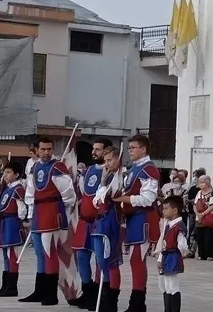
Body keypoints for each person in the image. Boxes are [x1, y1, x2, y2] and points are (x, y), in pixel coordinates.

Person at [20, 136, 77, 306]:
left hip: (52, 212)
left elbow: (68, 194)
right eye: (43, 149)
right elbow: (30, 192)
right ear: (36, 150)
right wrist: (30, 215)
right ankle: (40, 290)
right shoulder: (35, 166)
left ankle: (51, 294)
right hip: (38, 212)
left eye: (49, 149)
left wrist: (61, 211)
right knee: (39, 253)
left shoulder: (57, 167)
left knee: (49, 252)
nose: (46, 152)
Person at [112, 134, 160, 312]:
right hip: (133, 218)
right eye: (129, 147)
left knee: (137, 260)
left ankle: (138, 303)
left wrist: (124, 198)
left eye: (133, 147)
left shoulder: (149, 169)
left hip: (143, 218)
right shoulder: (134, 168)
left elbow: (148, 198)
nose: (130, 151)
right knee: (134, 260)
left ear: (143, 149)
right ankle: (137, 302)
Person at [69, 138, 111, 309]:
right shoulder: (90, 170)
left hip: (99, 222)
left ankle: (102, 295)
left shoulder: (111, 172)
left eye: (98, 149)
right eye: (93, 149)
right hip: (85, 221)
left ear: (107, 151)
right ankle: (88, 293)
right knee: (81, 256)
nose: (94, 152)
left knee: (101, 260)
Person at [90, 144, 126, 312]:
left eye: (110, 160)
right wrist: (103, 182)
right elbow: (96, 200)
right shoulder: (107, 176)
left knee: (111, 260)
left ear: (118, 159)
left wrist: (104, 186)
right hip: (100, 221)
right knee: (100, 260)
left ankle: (112, 301)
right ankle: (103, 297)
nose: (107, 164)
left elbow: (110, 195)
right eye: (105, 161)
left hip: (112, 220)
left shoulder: (122, 176)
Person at [0, 161, 27, 298]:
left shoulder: (18, 189)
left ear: (16, 174)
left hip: (12, 222)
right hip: (5, 222)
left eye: (8, 172)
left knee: (12, 256)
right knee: (6, 256)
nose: (5, 175)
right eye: (4, 172)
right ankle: (5, 285)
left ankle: (12, 287)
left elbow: (22, 209)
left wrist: (21, 220)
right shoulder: (6, 188)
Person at [156, 195, 187, 312]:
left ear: (175, 210)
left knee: (173, 285)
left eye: (166, 208)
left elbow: (182, 244)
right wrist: (160, 259)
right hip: (166, 256)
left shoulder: (179, 226)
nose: (163, 211)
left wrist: (181, 253)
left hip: (173, 256)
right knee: (166, 285)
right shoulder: (168, 224)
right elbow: (164, 242)